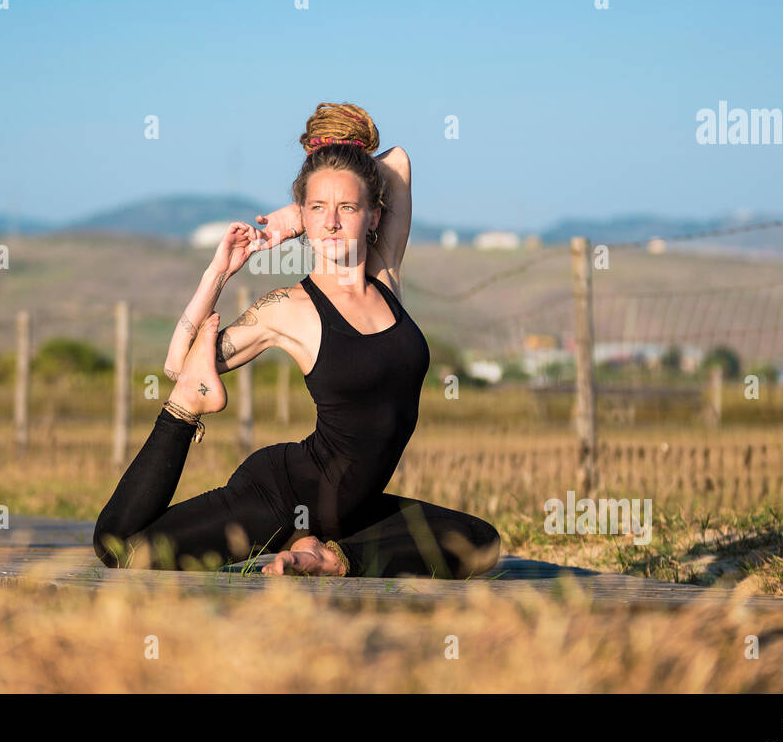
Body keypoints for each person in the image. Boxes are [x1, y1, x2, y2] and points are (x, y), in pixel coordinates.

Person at [92, 102, 501, 578]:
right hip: (283, 495)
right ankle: (190, 415)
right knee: (122, 551)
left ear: (373, 216)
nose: (330, 222)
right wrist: (219, 271)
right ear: (308, 218)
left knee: (480, 541)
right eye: (318, 210)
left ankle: (324, 555)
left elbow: (400, 161)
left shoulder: (386, 273)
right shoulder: (289, 308)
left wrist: (296, 210)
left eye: (346, 208)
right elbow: (179, 361)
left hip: (351, 511)